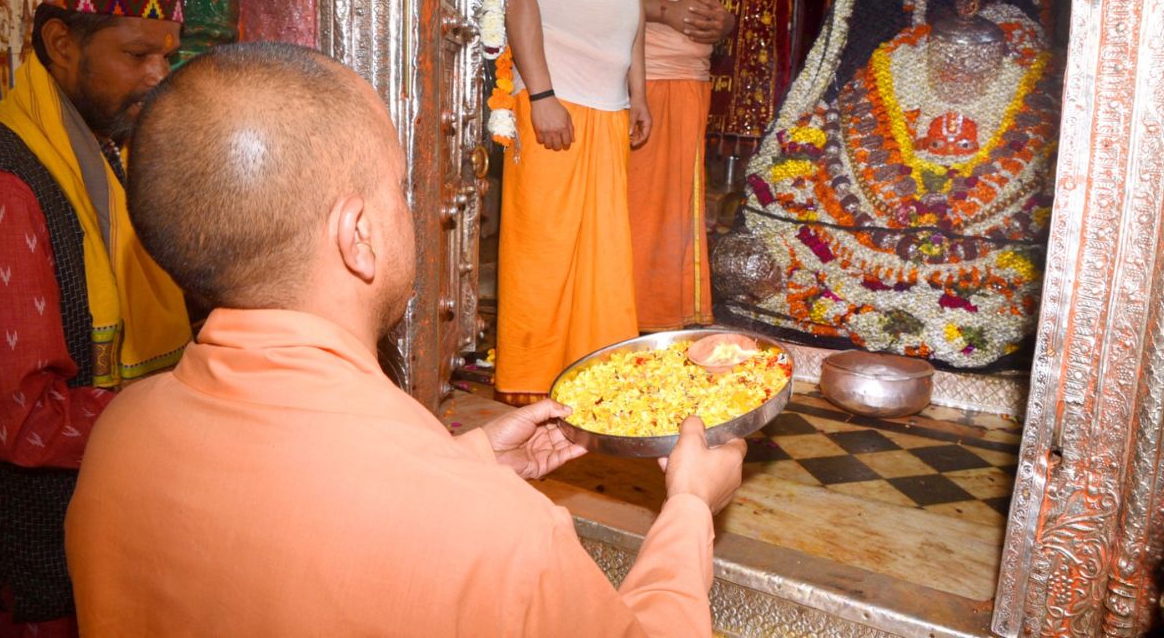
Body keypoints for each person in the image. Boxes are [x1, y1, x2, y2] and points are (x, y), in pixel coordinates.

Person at [64, 42, 747, 636]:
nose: (410, 208)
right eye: (397, 185)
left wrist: (466, 459)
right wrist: (689, 509)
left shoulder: (121, 435)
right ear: (357, 235)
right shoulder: (501, 539)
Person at [0, 0, 192, 637]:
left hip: (96, 526)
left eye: (167, 57)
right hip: (31, 560)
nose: (157, 76)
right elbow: (19, 421)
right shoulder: (4, 193)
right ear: (61, 43)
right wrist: (186, 414)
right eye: (135, 55)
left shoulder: (100, 158)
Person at [495, 0, 652, 405]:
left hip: (610, 100)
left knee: (603, 249)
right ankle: (528, 370)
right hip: (554, 93)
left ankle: (596, 368)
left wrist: (638, 89)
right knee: (543, 241)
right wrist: (540, 92)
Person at [626, 0, 735, 332]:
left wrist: (723, 21)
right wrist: (667, 11)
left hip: (691, 78)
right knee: (641, 210)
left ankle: (664, 323)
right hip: (643, 76)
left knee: (677, 215)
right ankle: (628, 323)